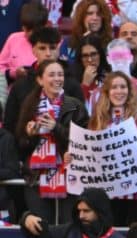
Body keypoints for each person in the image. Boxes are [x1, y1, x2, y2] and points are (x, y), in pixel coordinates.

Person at [16, 58, 90, 225]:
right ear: (40, 80)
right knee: (41, 227)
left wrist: (56, 127)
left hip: (69, 173)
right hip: (36, 176)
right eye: (52, 75)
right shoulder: (30, 105)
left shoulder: (74, 105)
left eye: (60, 74)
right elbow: (21, 143)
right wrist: (30, 135)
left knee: (69, 225)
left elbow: (84, 140)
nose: (57, 79)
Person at [88, 70, 137, 225]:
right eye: (114, 87)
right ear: (107, 91)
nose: (119, 91)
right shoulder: (99, 118)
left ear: (129, 90)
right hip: (109, 191)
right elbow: (90, 151)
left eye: (123, 87)